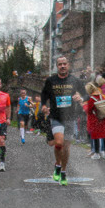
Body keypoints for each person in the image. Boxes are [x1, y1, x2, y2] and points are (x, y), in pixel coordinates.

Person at [40, 55, 85, 186]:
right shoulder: (51, 80)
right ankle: (57, 165)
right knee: (58, 143)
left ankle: (63, 171)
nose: (63, 66)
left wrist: (80, 97)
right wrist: (43, 105)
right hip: (56, 116)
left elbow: (85, 93)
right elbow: (44, 94)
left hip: (70, 117)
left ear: (68, 65)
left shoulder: (74, 80)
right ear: (57, 66)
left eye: (64, 64)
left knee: (66, 147)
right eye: (60, 64)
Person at [84, 79, 105, 159]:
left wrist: (84, 106)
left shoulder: (92, 99)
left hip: (95, 120)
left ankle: (97, 153)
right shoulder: (102, 96)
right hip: (104, 118)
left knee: (95, 136)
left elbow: (89, 110)